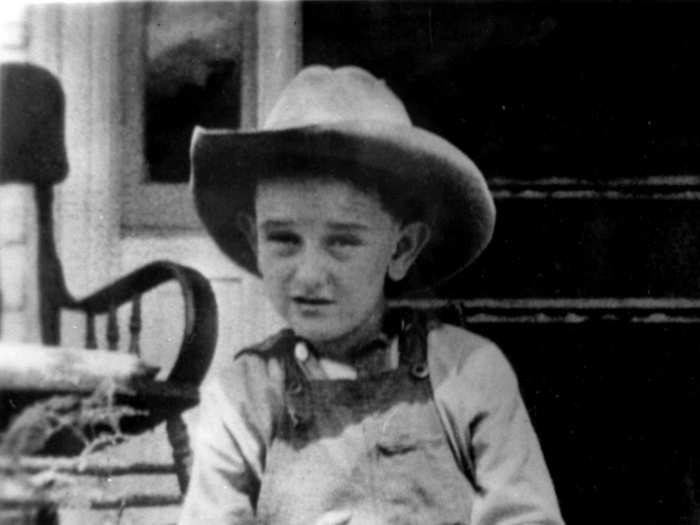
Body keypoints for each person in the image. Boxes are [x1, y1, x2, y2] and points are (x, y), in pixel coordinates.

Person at [179, 65, 564, 525]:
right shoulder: (244, 397)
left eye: (342, 242)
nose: (308, 276)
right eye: (283, 238)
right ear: (252, 238)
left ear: (401, 249)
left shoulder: (467, 376)